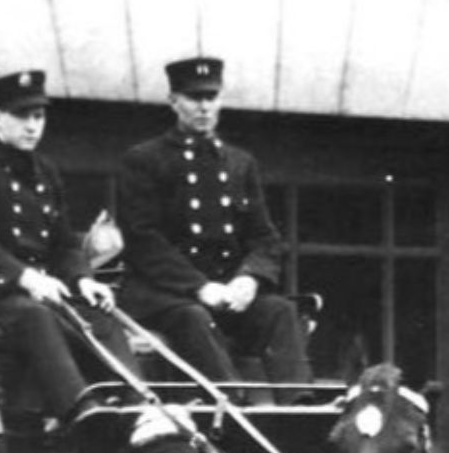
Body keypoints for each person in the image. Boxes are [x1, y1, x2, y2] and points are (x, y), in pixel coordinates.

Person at [0, 69, 182, 451]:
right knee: (35, 314)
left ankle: (139, 405)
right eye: (22, 116)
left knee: (97, 311)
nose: (32, 126)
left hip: (40, 291)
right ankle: (80, 409)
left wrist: (83, 279)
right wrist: (26, 278)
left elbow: (64, 244)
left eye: (39, 116)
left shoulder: (45, 171)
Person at [117, 56, 314, 396]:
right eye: (194, 98)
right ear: (173, 101)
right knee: (193, 316)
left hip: (226, 295)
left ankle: (301, 407)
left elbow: (265, 238)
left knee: (280, 310)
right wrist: (199, 286)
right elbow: (143, 240)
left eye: (211, 97)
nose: (204, 107)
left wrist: (249, 278)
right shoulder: (144, 160)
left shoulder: (240, 163)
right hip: (166, 296)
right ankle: (234, 408)